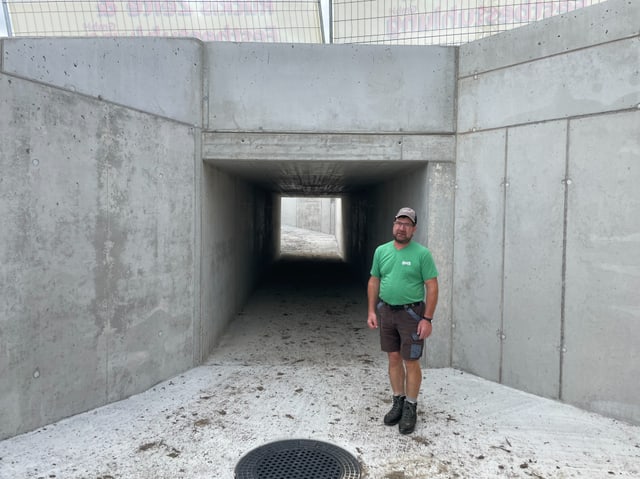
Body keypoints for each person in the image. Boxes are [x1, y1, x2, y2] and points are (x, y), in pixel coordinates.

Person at [367, 207, 439, 434]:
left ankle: (411, 406)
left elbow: (432, 286)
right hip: (387, 312)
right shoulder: (381, 251)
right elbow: (374, 280)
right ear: (393, 225)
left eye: (407, 224)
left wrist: (427, 318)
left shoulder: (422, 254)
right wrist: (371, 310)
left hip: (411, 314)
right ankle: (397, 401)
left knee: (411, 361)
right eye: (399, 223)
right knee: (394, 358)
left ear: (414, 229)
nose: (402, 228)